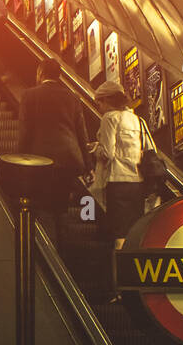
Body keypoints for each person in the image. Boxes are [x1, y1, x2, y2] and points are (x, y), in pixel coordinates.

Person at [18, 57, 91, 236]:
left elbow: (25, 130)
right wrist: (89, 165)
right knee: (60, 206)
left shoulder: (30, 95)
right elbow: (82, 134)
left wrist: (20, 160)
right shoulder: (73, 97)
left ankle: (48, 247)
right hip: (68, 160)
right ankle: (61, 247)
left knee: (43, 205)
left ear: (40, 73)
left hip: (41, 160)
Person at [90, 81, 145, 301]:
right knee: (133, 234)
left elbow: (108, 153)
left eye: (99, 103)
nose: (99, 108)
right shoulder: (135, 118)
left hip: (117, 182)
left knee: (119, 237)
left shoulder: (109, 118)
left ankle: (119, 288)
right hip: (137, 183)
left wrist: (95, 148)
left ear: (106, 101)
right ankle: (133, 286)